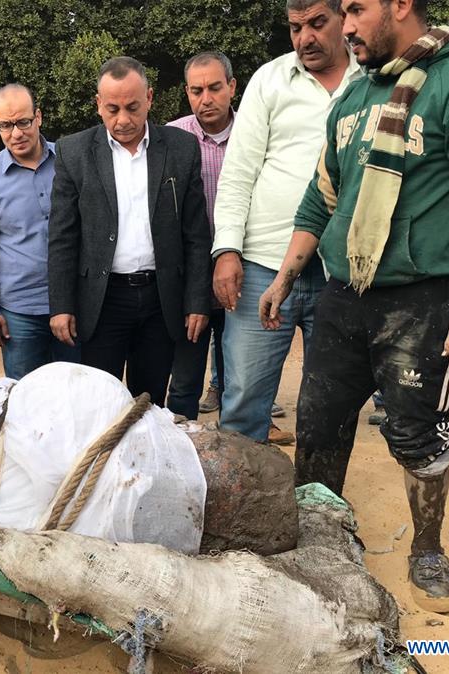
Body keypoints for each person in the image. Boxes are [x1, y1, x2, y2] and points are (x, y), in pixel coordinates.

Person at [260, 0, 449, 613]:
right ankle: (318, 544)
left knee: (417, 431)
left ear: (401, 5)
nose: (344, 26)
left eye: (355, 10)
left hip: (425, 299)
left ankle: (426, 551)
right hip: (343, 296)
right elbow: (320, 199)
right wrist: (284, 277)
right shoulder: (353, 100)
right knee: (319, 425)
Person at [211, 0, 362, 443]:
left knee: (334, 396)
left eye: (318, 23)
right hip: (264, 263)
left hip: (344, 269)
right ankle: (239, 504)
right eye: (296, 28)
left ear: (343, 18)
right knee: (243, 395)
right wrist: (227, 251)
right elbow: (237, 173)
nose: (305, 39)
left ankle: (321, 500)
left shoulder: (372, 78)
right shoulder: (270, 79)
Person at [48, 57, 212, 406]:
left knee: (148, 403)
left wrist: (197, 300)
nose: (123, 120)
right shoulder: (74, 152)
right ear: (98, 105)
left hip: (160, 299)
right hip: (102, 300)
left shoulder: (180, 149)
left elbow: (196, 234)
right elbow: (63, 236)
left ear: (150, 98)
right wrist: (61, 305)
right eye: (112, 109)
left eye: (133, 107)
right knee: (98, 402)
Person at [0, 84, 79, 379]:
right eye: (6, 125)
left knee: (77, 397)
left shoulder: (70, 164)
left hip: (74, 304)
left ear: (38, 117)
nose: (16, 133)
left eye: (23, 122)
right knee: (25, 402)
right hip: (19, 315)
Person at [165, 51, 235, 420]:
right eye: (196, 90)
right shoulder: (172, 138)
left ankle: (242, 445)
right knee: (185, 376)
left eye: (214, 88)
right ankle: (181, 447)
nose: (205, 99)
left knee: (241, 372)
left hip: (240, 269)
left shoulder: (252, 135)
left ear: (232, 87)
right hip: (188, 275)